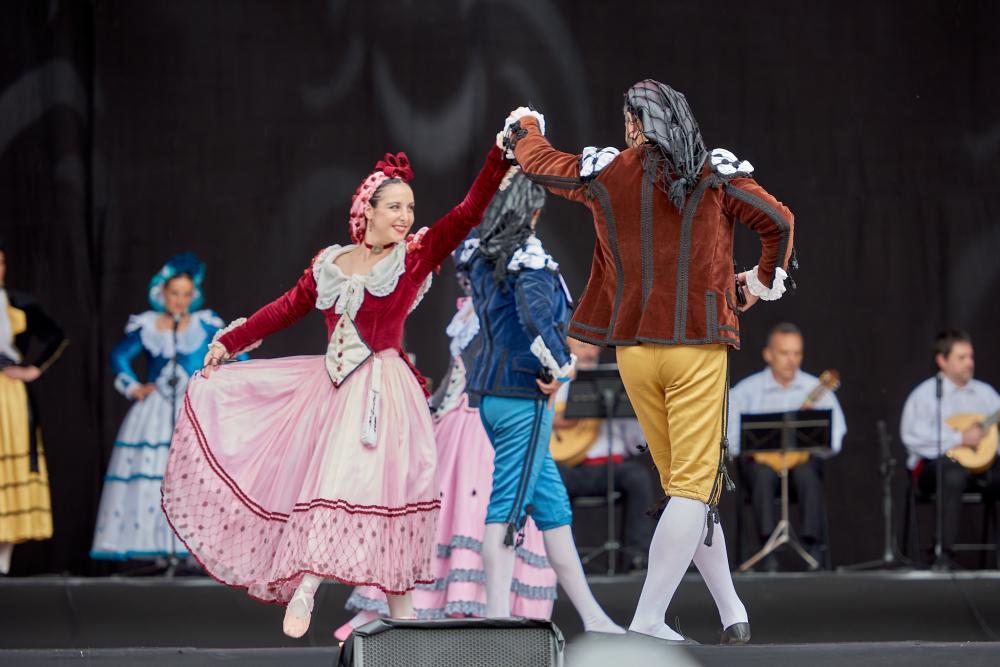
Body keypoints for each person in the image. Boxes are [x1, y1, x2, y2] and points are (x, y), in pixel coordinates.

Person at [160, 144, 509, 637]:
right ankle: (317, 588)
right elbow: (286, 308)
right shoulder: (331, 263)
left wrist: (499, 157)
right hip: (331, 389)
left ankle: (396, 619)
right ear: (368, 211)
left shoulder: (412, 258)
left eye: (410, 207)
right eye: (394, 206)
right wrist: (229, 343)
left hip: (384, 393)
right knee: (335, 482)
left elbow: (468, 212)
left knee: (386, 497)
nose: (405, 216)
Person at [501, 78, 795, 643]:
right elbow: (778, 223)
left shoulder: (608, 173)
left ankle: (732, 613)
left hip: (635, 352)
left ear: (635, 125)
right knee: (692, 487)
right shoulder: (714, 173)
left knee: (689, 487)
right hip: (696, 347)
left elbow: (542, 164)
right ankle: (648, 620)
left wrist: (526, 129)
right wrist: (759, 283)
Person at [336, 281, 557, 638]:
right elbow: (456, 377)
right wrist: (427, 406)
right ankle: (422, 611)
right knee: (439, 510)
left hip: (485, 421)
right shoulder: (471, 310)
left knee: (477, 511)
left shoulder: (508, 307)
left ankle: (482, 611)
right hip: (459, 420)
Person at [462, 166, 624, 634]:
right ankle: (496, 621)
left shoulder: (480, 257)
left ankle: (593, 617)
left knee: (552, 509)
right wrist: (559, 368)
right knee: (508, 508)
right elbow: (535, 318)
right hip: (522, 398)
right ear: (533, 213)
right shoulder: (528, 262)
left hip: (494, 395)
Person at [91, 254, 245, 564]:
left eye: (186, 294)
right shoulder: (148, 325)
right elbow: (119, 357)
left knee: (195, 475)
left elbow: (237, 354)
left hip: (193, 410)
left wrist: (220, 383)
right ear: (163, 293)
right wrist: (134, 386)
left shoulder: (205, 325)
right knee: (154, 474)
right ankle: (157, 550)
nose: (180, 300)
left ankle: (192, 549)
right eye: (175, 293)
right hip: (156, 413)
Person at [727, 322, 846, 571]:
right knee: (761, 475)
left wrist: (814, 442)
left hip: (799, 467)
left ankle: (813, 546)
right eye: (784, 353)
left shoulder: (816, 389)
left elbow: (835, 435)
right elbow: (729, 437)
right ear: (768, 354)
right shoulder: (746, 391)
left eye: (797, 353)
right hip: (761, 468)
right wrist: (760, 452)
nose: (791, 360)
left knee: (808, 475)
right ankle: (767, 546)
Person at [550, 338, 656, 569]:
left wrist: (640, 413)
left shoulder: (617, 384)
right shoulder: (557, 384)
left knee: (637, 477)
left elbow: (636, 444)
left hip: (609, 468)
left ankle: (636, 557)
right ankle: (562, 557)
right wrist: (559, 418)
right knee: (550, 477)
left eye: (592, 347)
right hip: (570, 468)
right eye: (581, 347)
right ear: (567, 348)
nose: (589, 353)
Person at [901, 329, 1000, 569]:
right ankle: (942, 556)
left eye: (971, 357)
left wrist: (988, 447)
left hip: (981, 467)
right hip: (936, 467)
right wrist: (959, 438)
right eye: (961, 358)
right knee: (952, 474)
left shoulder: (985, 394)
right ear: (942, 360)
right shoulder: (925, 395)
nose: (969, 363)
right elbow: (912, 436)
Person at [0, 238, 68, 574]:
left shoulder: (18, 303)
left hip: (7, 394)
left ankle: (3, 560)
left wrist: (33, 368)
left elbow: (56, 335)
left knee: (10, 463)